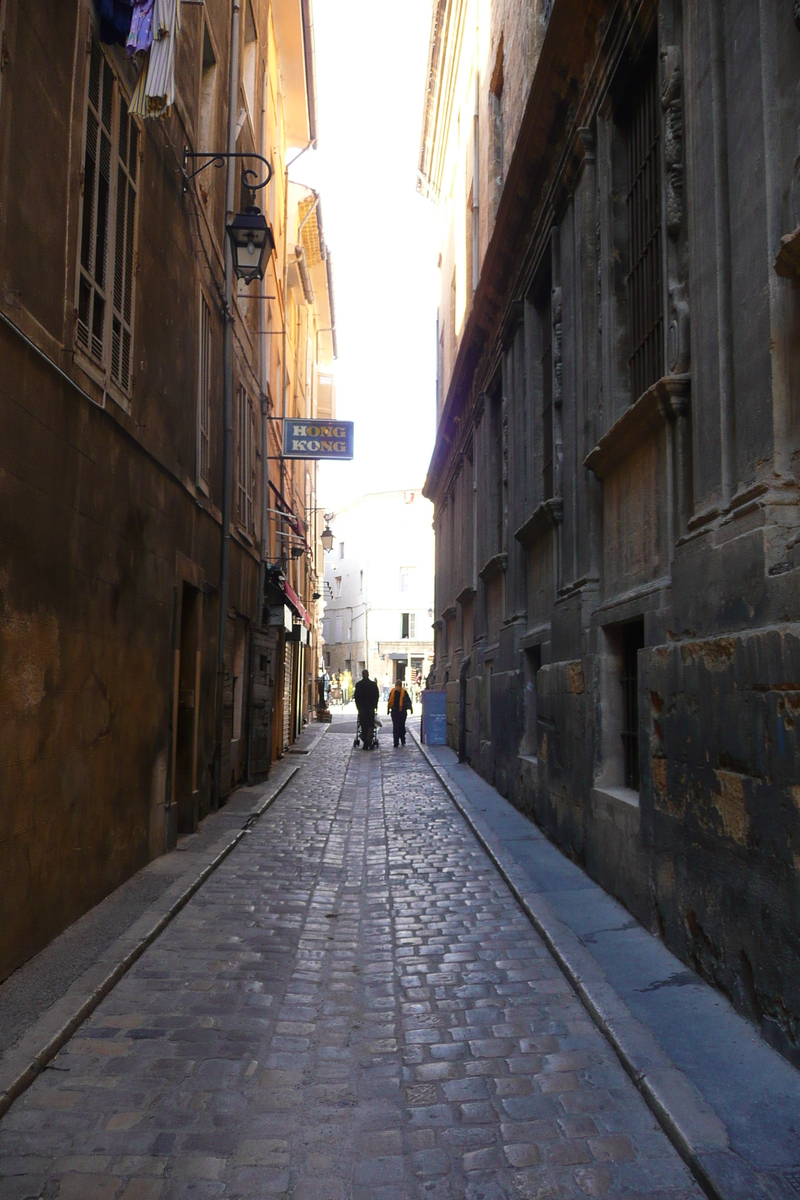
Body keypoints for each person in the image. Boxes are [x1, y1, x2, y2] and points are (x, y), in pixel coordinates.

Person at [354, 669, 379, 750]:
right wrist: (375, 706)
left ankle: (365, 742)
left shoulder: (359, 685)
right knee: (371, 725)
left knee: (363, 725)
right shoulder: (373, 685)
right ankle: (370, 740)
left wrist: (358, 707)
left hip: (362, 709)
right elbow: (376, 696)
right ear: (368, 675)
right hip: (370, 708)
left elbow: (356, 697)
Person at [387, 677, 413, 747]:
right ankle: (402, 740)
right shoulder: (404, 692)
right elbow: (408, 701)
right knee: (401, 726)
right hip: (402, 712)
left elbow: (389, 701)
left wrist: (388, 709)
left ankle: (396, 742)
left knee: (396, 727)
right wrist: (410, 709)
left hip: (395, 712)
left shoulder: (393, 691)